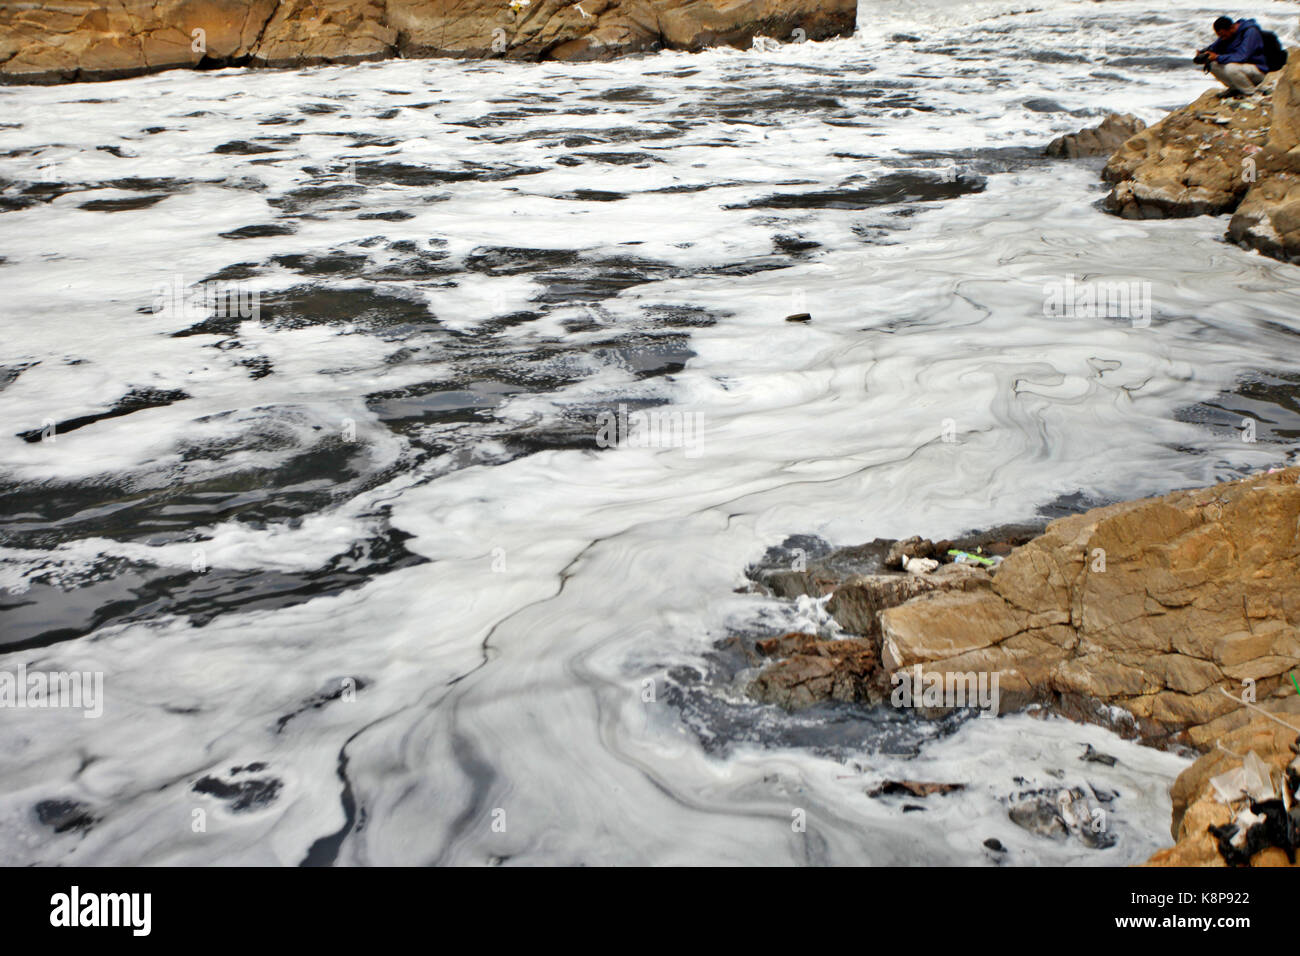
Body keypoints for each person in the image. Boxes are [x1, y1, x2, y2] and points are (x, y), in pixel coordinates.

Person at [1197, 16, 1271, 96]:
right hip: (1242, 70)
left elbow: (1242, 56)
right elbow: (1214, 47)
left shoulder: (1250, 32)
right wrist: (1203, 53)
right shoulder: (1228, 34)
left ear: (1231, 28)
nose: (1222, 38)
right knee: (1211, 64)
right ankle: (1235, 88)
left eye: (1223, 35)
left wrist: (1217, 57)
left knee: (1231, 68)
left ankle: (1251, 93)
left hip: (1258, 70)